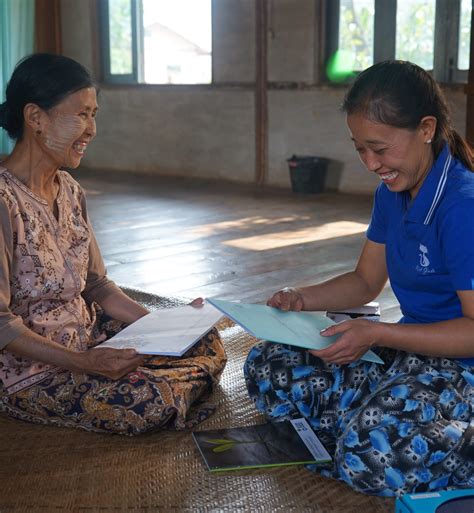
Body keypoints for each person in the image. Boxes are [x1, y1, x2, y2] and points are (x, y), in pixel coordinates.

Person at [244, 60, 474, 496]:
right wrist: (299, 297)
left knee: (366, 457)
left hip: (463, 374)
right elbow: (366, 281)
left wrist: (376, 333)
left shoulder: (462, 207)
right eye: (359, 149)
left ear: (426, 129)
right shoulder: (395, 192)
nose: (371, 163)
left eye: (380, 149)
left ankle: (434, 434)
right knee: (267, 363)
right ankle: (382, 422)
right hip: (412, 354)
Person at [0, 53, 226, 435]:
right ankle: (169, 393)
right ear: (35, 118)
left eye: (94, 115)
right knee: (150, 403)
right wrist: (84, 364)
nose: (91, 129)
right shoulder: (4, 201)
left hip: (85, 335)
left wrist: (166, 327)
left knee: (206, 342)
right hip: (29, 368)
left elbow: (97, 285)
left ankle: (167, 386)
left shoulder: (70, 190)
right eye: (82, 115)